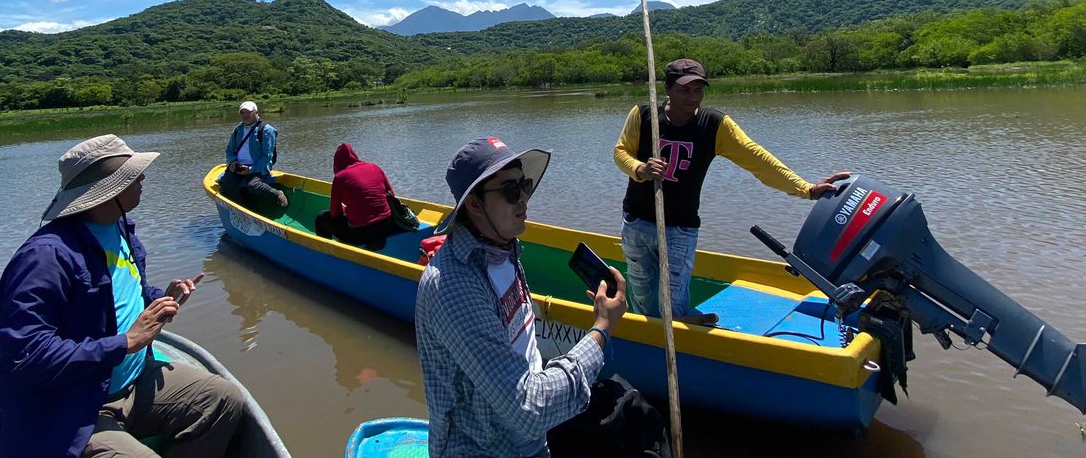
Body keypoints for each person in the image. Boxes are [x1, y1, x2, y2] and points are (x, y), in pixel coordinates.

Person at [0, 134, 244, 458]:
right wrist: (126, 342)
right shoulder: (45, 257)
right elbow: (23, 357)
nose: (143, 179)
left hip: (132, 381)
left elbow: (121, 295)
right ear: (109, 190)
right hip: (74, 405)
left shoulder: (120, 227)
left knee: (222, 399)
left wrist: (158, 299)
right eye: (133, 176)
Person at [415, 136, 628, 458]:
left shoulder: (503, 248)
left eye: (525, 185)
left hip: (528, 439)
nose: (524, 199)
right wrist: (601, 328)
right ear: (474, 204)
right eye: (511, 191)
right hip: (488, 448)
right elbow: (531, 409)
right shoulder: (453, 287)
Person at [615, 58, 849, 322]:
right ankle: (645, 339)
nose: (693, 98)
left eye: (698, 90)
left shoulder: (714, 124)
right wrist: (640, 169)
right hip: (636, 221)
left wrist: (806, 189)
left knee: (673, 299)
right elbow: (621, 152)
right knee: (642, 293)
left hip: (679, 228)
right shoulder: (644, 116)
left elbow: (758, 160)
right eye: (684, 90)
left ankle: (680, 339)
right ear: (667, 88)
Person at [314, 142, 413, 248]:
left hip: (361, 234)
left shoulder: (340, 177)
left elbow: (334, 214)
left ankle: (326, 252)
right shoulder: (375, 167)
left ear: (336, 163)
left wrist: (345, 210)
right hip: (388, 226)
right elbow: (391, 196)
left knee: (321, 217)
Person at [218, 99, 288, 208]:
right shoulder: (238, 129)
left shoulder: (266, 130)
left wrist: (250, 170)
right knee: (226, 183)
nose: (245, 115)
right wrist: (232, 162)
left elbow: (267, 157)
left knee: (253, 185)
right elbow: (229, 150)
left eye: (248, 112)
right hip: (239, 166)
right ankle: (242, 207)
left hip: (258, 168)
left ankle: (277, 194)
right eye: (242, 112)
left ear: (256, 112)